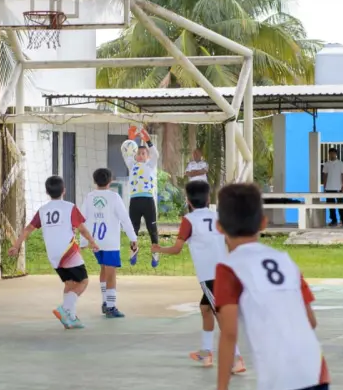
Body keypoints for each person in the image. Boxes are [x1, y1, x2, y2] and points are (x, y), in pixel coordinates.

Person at [212, 183, 330, 390]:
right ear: (263, 223)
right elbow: (310, 320)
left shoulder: (228, 269)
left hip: (281, 379)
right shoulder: (284, 260)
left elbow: (229, 334)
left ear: (218, 227)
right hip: (316, 370)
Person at [151, 180, 246, 374]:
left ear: (188, 200)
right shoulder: (218, 216)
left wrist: (159, 249)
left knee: (221, 317)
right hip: (224, 272)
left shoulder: (189, 220)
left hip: (210, 276)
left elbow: (177, 249)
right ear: (208, 198)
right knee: (205, 308)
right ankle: (206, 352)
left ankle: (236, 359)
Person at [8, 176, 99, 329]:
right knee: (83, 281)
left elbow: (28, 229)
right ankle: (65, 310)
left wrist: (16, 246)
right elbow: (81, 228)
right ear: (64, 190)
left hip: (53, 254)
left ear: (47, 192)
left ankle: (70, 318)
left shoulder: (43, 210)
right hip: (68, 250)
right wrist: (92, 241)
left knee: (69, 283)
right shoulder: (69, 207)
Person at [80, 168, 138, 319]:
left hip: (95, 242)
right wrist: (133, 238)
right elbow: (124, 219)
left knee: (104, 270)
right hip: (110, 242)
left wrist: (84, 241)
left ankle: (105, 302)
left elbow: (82, 220)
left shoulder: (89, 197)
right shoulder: (114, 197)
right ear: (111, 181)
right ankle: (111, 306)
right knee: (111, 273)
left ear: (94, 181)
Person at [121, 126, 160, 267]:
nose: (141, 155)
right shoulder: (132, 165)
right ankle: (133, 250)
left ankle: (155, 253)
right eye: (139, 153)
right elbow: (127, 153)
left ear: (147, 156)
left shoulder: (151, 164)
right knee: (133, 229)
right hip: (135, 200)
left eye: (144, 153)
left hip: (148, 200)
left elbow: (156, 154)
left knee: (152, 229)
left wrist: (148, 140)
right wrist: (130, 139)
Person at [322, 147, 343, 227]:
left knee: (341, 205)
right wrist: (324, 186)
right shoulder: (327, 164)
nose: (332, 155)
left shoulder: (340, 163)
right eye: (330, 153)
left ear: (336, 154)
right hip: (329, 188)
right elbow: (325, 175)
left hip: (338, 187)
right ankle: (334, 220)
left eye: (333, 153)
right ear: (329, 154)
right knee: (331, 206)